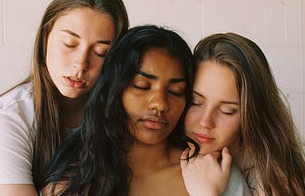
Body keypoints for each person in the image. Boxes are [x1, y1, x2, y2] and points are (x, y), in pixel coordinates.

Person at [43, 25, 250, 196]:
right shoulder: (75, 178)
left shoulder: (213, 174)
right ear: (114, 90)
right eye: (142, 86)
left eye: (176, 91)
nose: (160, 104)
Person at [0, 0, 129, 195]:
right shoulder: (6, 119)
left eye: (100, 52)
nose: (80, 64)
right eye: (69, 44)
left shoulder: (121, 113)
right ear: (45, 38)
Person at [183, 32, 305, 195]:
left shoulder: (275, 180)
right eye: (195, 102)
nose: (205, 122)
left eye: (227, 111)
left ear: (251, 115)